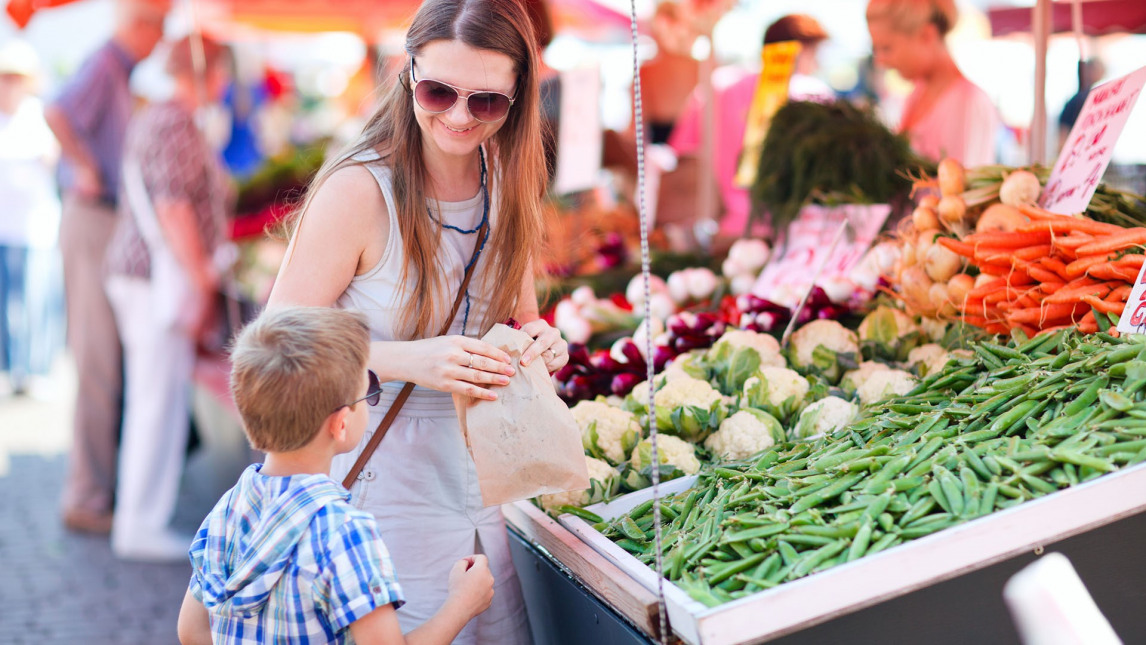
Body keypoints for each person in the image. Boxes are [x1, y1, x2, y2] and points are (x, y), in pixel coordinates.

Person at [267, 0, 567, 641]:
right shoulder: (358, 190)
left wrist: (539, 342)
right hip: (381, 482)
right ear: (408, 76)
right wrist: (409, 359)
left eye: (485, 102)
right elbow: (276, 337)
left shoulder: (508, 183)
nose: (459, 116)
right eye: (439, 91)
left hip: (493, 478)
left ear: (516, 99)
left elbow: (521, 319)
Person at [176, 306, 495, 645]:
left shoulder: (228, 508)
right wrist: (462, 604)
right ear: (340, 424)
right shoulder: (345, 532)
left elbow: (192, 631)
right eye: (368, 391)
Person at [102, 34, 232, 561]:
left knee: (154, 400)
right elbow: (175, 209)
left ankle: (142, 517)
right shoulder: (177, 122)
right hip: (157, 279)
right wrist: (203, 280)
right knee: (157, 404)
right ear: (211, 71)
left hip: (142, 276)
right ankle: (140, 524)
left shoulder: (159, 116)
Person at [44, 0, 169, 535]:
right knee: (98, 364)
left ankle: (101, 490)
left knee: (107, 364)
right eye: (159, 27)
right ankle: (88, 498)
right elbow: (55, 110)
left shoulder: (122, 69)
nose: (162, 39)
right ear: (140, 25)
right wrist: (86, 165)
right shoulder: (106, 62)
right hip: (92, 218)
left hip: (102, 221)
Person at [668, 14, 833, 242]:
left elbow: (682, 153)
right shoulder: (811, 94)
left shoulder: (715, 86)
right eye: (814, 55)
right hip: (791, 234)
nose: (817, 64)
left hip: (720, 229)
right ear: (799, 51)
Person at [866, 0, 999, 166]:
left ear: (926, 35)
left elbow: (961, 186)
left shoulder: (969, 101)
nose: (880, 61)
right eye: (876, 49)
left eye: (886, 48)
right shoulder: (917, 93)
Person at [0, 40, 60, 397]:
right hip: (5, 227)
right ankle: (10, 369)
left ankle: (36, 370)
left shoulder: (37, 114)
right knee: (7, 303)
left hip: (35, 226)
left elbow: (52, 157)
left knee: (37, 301)